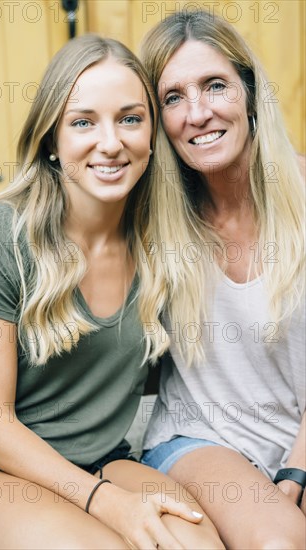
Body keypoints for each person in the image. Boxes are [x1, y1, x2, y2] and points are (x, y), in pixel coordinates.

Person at [0, 34, 225, 550]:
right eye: (84, 121)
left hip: (103, 459)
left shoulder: (160, 242)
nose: (111, 142)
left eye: (131, 118)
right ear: (52, 138)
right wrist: (105, 503)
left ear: (153, 135)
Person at [139, 9, 306, 549]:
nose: (198, 112)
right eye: (173, 97)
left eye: (215, 85)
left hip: (295, 445)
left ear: (250, 92)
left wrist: (296, 473)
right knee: (280, 542)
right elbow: (47, 294)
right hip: (201, 439)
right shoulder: (147, 218)